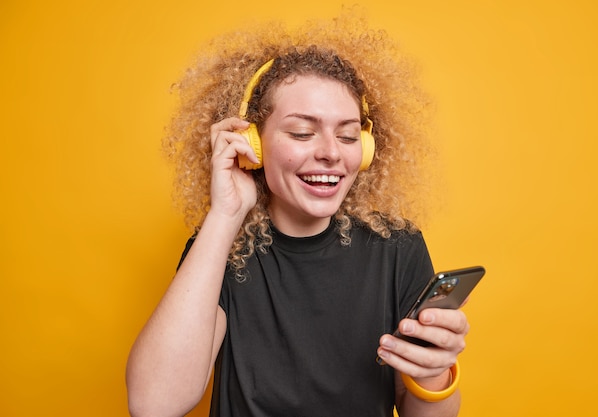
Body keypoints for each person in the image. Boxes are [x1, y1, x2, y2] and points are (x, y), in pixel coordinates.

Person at [126, 10, 470, 417]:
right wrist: (225, 214)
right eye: (302, 132)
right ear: (252, 143)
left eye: (347, 134)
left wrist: (433, 373)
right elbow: (154, 405)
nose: (330, 152)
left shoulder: (397, 248)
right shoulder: (221, 250)